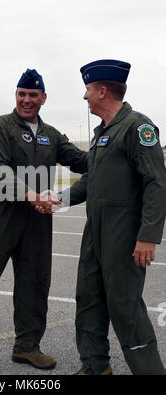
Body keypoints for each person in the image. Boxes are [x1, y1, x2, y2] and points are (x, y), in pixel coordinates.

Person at [0, 69, 88, 374]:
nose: (26, 100)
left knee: (35, 286)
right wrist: (34, 195)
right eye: (21, 94)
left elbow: (82, 161)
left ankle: (27, 347)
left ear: (43, 99)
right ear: (16, 95)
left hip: (36, 224)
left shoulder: (52, 135)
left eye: (33, 95)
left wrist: (112, 153)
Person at [60, 59, 166, 375]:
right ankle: (95, 366)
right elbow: (91, 181)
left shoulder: (137, 127)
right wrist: (59, 199)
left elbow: (157, 183)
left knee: (125, 306)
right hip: (96, 233)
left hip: (125, 235)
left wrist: (148, 235)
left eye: (87, 90)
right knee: (89, 297)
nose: (84, 97)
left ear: (102, 91)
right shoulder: (102, 133)